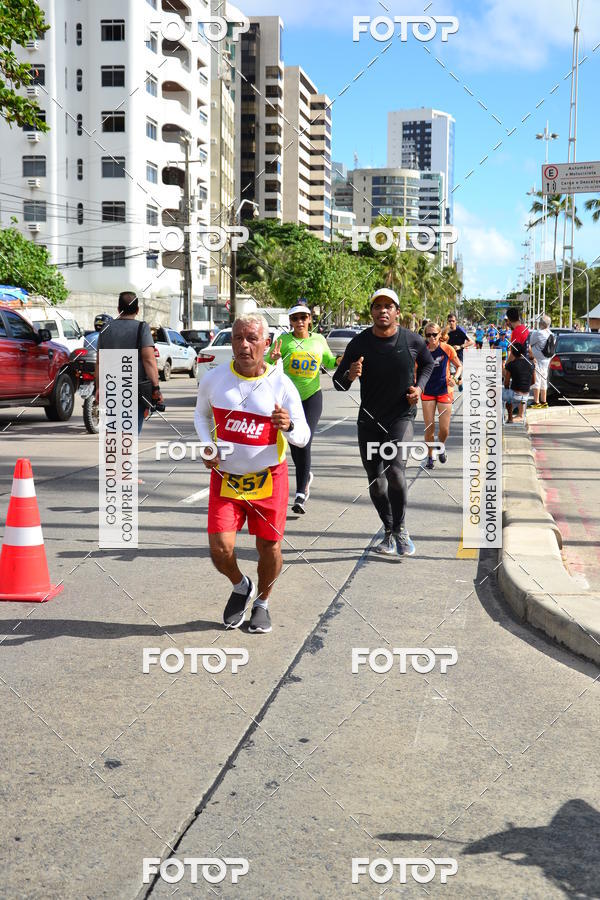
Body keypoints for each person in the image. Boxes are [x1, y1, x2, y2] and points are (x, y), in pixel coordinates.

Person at [194, 314, 310, 634]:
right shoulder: (214, 379)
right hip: (227, 479)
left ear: (266, 343)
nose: (244, 346)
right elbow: (201, 415)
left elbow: (303, 436)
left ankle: (262, 602)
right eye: (237, 338)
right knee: (220, 549)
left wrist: (288, 426)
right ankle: (240, 585)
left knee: (269, 547)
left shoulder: (281, 385)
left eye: (252, 339)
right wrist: (207, 446)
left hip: (269, 478)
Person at [333, 288, 434, 558]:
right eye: (377, 306)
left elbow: (428, 364)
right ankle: (389, 530)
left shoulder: (412, 340)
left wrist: (420, 389)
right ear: (372, 312)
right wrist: (350, 375)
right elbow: (338, 383)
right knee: (376, 482)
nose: (383, 310)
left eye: (388, 306)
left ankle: (400, 529)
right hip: (369, 421)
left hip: (400, 417)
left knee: (395, 472)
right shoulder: (359, 343)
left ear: (397, 311)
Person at [266, 302, 340, 514]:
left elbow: (329, 361)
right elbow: (267, 363)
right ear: (290, 321)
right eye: (295, 318)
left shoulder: (318, 340)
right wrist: (272, 359)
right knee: (294, 442)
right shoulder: (284, 341)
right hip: (289, 399)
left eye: (303, 318)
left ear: (310, 320)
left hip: (312, 397)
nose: (299, 322)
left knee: (304, 441)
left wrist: (342, 360)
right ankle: (305, 475)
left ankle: (300, 493)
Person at [95, 291, 162, 435]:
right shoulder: (141, 328)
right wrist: (156, 388)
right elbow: (149, 360)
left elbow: (100, 362)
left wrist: (98, 387)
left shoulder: (105, 328)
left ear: (118, 309)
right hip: (134, 390)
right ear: (137, 310)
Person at [420, 324, 462, 469]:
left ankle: (441, 446)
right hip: (427, 391)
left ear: (439, 334)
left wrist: (455, 379)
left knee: (444, 429)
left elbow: (459, 366)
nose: (431, 337)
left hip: (445, 390)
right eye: (428, 335)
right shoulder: (422, 350)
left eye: (434, 334)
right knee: (429, 427)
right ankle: (430, 456)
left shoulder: (447, 348)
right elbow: (414, 371)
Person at [503, 342, 535, 423]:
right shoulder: (531, 364)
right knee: (510, 396)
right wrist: (525, 386)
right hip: (526, 395)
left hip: (514, 395)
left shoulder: (511, 365)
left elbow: (506, 383)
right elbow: (533, 381)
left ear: (513, 353)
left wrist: (507, 391)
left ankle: (509, 418)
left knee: (500, 396)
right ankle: (519, 416)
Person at [528, 314, 553, 408]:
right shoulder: (551, 333)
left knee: (537, 380)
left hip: (537, 360)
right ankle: (544, 401)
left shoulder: (538, 333)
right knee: (544, 380)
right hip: (546, 360)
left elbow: (530, 343)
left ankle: (536, 402)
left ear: (541, 324)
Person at [446, 313, 474, 392]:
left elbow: (471, 342)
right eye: (449, 321)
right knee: (451, 374)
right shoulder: (446, 331)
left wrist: (460, 346)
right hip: (449, 356)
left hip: (459, 356)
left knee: (458, 377)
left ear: (456, 321)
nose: (451, 322)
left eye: (453, 321)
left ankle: (460, 382)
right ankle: (448, 393)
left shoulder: (460, 330)